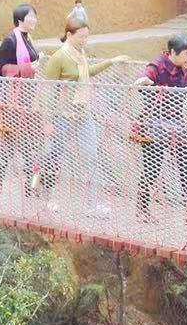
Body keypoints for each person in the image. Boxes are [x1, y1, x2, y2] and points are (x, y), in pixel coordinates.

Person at [38, 16, 130, 214]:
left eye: (87, 37)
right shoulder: (59, 57)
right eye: (81, 37)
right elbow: (47, 91)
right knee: (55, 156)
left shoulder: (81, 55)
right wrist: (47, 121)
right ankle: (48, 197)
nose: (84, 40)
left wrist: (111, 62)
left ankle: (95, 203)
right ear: (69, 35)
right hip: (62, 115)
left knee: (91, 156)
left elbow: (87, 72)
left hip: (83, 113)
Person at [134, 35, 187, 227]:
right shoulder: (158, 64)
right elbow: (146, 77)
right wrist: (145, 82)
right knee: (152, 169)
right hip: (154, 123)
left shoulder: (182, 68)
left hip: (176, 123)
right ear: (173, 52)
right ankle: (142, 209)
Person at [0, 4, 42, 194]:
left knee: (26, 143)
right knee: (12, 144)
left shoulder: (28, 38)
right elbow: (2, 70)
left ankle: (28, 187)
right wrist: (29, 69)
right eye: (31, 16)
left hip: (27, 99)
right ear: (20, 19)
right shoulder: (10, 41)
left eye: (35, 16)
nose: (34, 20)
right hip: (12, 102)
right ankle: (8, 185)